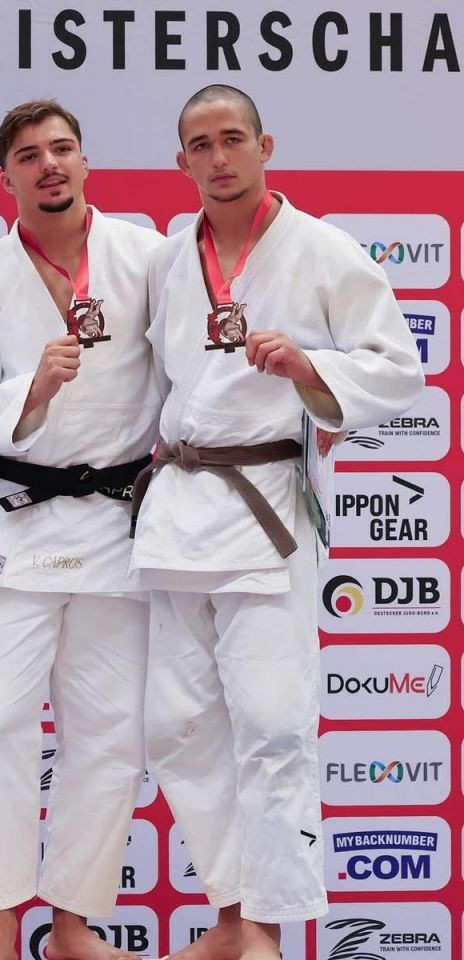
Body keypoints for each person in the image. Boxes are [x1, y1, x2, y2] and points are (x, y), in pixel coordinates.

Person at [130, 85, 424, 960]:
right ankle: (232, 911)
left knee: (273, 725)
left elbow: (398, 367)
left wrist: (309, 368)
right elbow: (153, 385)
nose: (218, 157)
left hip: (266, 512)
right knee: (176, 729)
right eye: (200, 144)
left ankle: (265, 929)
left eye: (232, 139)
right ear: (181, 161)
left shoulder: (323, 249)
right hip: (180, 507)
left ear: (265, 147)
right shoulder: (167, 260)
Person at [0, 100, 163, 960]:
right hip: (18, 526)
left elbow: (195, 366)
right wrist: (28, 391)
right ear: (7, 179)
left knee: (110, 734)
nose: (49, 164)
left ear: (86, 161)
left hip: (116, 526)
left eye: (62, 148)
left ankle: (71, 924)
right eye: (29, 155)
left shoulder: (147, 257)